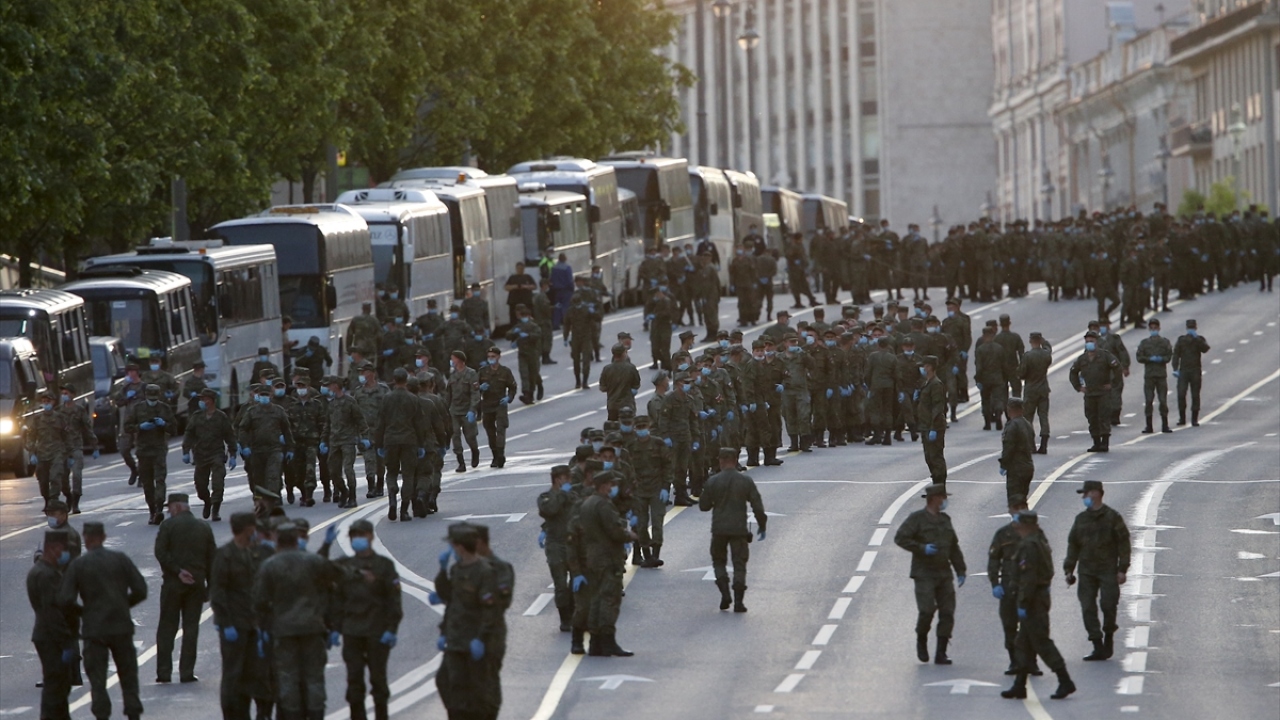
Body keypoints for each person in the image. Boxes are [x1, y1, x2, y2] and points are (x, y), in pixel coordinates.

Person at [57, 521, 148, 720]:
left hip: (94, 629)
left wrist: (83, 612)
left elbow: (65, 600)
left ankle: (101, 714)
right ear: (104, 537)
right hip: (121, 627)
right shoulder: (120, 559)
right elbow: (141, 590)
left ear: (85, 539)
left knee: (97, 679)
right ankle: (133, 711)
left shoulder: (78, 565)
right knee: (128, 675)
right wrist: (124, 605)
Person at [252, 523, 340, 720]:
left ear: (278, 540)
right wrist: (332, 624)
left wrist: (263, 629)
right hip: (312, 628)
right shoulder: (313, 561)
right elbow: (333, 587)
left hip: (283, 632)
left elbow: (259, 602)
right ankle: (316, 714)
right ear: (295, 539)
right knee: (314, 678)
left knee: (288, 678)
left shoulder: (270, 565)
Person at [1000, 510, 1076, 701]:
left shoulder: (1029, 545)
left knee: (1041, 642)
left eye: (1019, 523)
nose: (1016, 526)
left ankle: (1064, 680)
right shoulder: (1037, 540)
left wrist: (1023, 602)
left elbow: (1028, 578)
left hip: (1033, 601)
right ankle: (1019, 685)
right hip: (1036, 598)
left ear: (1026, 525)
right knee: (1023, 643)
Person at [332, 519, 402, 720]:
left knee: (378, 681)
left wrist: (392, 628)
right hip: (352, 631)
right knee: (354, 681)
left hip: (377, 632)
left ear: (370, 536)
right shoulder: (343, 566)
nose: (358, 539)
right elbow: (336, 600)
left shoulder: (384, 566)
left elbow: (393, 600)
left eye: (361, 535)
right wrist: (335, 628)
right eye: (354, 536)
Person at [433, 523, 502, 719]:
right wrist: (441, 571)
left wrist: (481, 638)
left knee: (478, 691)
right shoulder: (456, 569)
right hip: (456, 640)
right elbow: (450, 599)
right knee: (452, 687)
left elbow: (490, 610)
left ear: (460, 546)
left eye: (453, 545)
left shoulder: (484, 571)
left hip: (474, 640)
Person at [894, 484, 966, 665]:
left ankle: (941, 652)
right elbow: (900, 538)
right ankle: (921, 639)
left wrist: (961, 570)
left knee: (947, 612)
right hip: (923, 572)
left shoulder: (945, 520)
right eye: (942, 497)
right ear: (934, 498)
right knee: (926, 610)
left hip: (944, 572)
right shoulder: (917, 519)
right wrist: (921, 548)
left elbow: (953, 547)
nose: (945, 501)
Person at [1064, 480, 1130, 661]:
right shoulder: (1081, 519)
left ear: (1096, 493)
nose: (1084, 497)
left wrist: (1122, 569)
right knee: (1087, 608)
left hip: (1107, 570)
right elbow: (1073, 545)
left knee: (1109, 605)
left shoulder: (1112, 517)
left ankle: (1108, 635)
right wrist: (1069, 569)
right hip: (1086, 571)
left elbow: (1124, 544)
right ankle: (1097, 643)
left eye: (1086, 493)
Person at [153, 492, 216, 684]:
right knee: (191, 629)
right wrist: (209, 587)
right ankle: (186, 672)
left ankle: (164, 672)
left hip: (173, 584)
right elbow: (212, 559)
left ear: (177, 507)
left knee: (167, 628)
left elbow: (160, 552)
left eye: (170, 508)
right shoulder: (204, 527)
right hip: (196, 585)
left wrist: (178, 571)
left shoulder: (168, 526)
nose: (169, 511)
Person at [210, 512, 266, 720]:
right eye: (253, 527)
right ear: (247, 529)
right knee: (233, 674)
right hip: (233, 624)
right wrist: (225, 623)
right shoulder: (225, 555)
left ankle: (243, 714)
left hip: (251, 623)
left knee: (249, 674)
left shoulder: (253, 553)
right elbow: (218, 592)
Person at [576, 470, 636, 656]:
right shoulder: (603, 505)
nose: (612, 488)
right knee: (609, 599)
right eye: (610, 484)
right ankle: (607, 640)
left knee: (596, 599)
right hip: (608, 558)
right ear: (603, 485)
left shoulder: (588, 503)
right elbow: (614, 531)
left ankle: (595, 642)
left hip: (593, 557)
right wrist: (629, 535)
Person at [699, 448, 767, 612]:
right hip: (739, 529)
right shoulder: (745, 481)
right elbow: (757, 506)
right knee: (739, 564)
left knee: (719, 561)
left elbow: (704, 506)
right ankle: (738, 601)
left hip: (719, 529)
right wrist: (762, 525)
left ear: (720, 461)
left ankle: (724, 593)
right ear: (736, 460)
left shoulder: (713, 481)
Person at [28, 529, 77, 720]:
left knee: (59, 686)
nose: (66, 554)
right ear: (53, 548)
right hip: (52, 638)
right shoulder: (46, 575)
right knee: (55, 687)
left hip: (49, 635)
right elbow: (51, 611)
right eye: (64, 549)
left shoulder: (44, 570)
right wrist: (66, 641)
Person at [988, 495, 1040, 676]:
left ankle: (1032, 662)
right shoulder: (1003, 534)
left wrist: (1044, 584)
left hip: (1030, 587)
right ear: (1010, 510)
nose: (1018, 511)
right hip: (1009, 586)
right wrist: (995, 583)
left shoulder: (1035, 533)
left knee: (1031, 626)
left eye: (1022, 507)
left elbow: (1044, 560)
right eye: (1015, 508)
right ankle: (1014, 661)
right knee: (1009, 625)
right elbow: (994, 560)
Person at [374, 368, 428, 522]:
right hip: (409, 440)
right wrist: (421, 444)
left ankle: (392, 497)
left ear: (394, 379)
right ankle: (404, 510)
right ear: (406, 380)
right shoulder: (413, 399)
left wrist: (378, 444)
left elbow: (380, 423)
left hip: (390, 440)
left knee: (391, 472)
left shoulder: (386, 398)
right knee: (408, 475)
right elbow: (419, 424)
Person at [237, 385, 295, 513]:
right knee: (257, 478)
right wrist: (244, 445)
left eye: (266, 395)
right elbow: (243, 428)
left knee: (273, 476)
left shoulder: (278, 411)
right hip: (256, 450)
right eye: (262, 395)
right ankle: (259, 501)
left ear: (271, 396)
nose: (264, 397)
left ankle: (272, 502)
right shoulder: (251, 412)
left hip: (274, 449)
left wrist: (290, 448)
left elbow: (287, 430)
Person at [183, 388, 238, 521]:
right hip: (200, 454)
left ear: (212, 401)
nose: (202, 402)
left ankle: (216, 509)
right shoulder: (196, 416)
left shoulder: (221, 417)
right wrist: (186, 451)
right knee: (200, 486)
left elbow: (229, 436)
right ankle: (207, 501)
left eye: (204, 399)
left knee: (218, 483)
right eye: (201, 399)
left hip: (216, 454)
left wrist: (233, 454)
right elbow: (189, 434)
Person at [127, 384, 179, 525]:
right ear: (145, 395)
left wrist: (163, 424)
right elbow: (127, 426)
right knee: (147, 483)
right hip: (143, 451)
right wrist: (140, 427)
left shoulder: (164, 409)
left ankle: (159, 508)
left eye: (154, 398)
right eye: (150, 398)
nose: (152, 401)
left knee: (160, 479)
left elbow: (174, 429)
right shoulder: (138, 409)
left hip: (158, 449)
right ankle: (152, 510)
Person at [537, 466, 581, 631]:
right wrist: (562, 494)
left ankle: (572, 611)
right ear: (557, 479)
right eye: (566, 477)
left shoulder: (573, 496)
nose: (569, 481)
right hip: (555, 544)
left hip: (573, 545)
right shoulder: (545, 497)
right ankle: (565, 618)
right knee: (560, 583)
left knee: (576, 582)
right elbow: (550, 510)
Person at [1068, 331, 1122, 452]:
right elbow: (1073, 372)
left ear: (1097, 342)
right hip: (1090, 393)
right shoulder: (1082, 359)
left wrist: (1112, 384)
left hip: (1103, 392)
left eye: (1091, 341)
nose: (1089, 344)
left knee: (1104, 417)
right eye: (1087, 342)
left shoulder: (1105, 356)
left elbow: (1117, 368)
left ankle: (1105, 442)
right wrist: (1078, 387)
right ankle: (1096, 442)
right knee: (1092, 417)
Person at [324, 376, 369, 509]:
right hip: (334, 441)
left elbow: (360, 420)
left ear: (336, 386)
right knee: (333, 471)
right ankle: (344, 491)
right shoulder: (331, 404)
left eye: (330, 385)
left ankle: (353, 497)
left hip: (348, 440)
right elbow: (328, 424)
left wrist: (364, 436)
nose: (328, 388)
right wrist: (323, 440)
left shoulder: (350, 402)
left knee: (348, 468)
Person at [56, 383, 96, 513]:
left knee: (77, 475)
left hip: (76, 447)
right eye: (63, 394)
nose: (64, 396)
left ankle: (75, 502)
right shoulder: (58, 411)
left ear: (73, 395)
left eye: (67, 393)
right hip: (62, 449)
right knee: (62, 477)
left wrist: (94, 445)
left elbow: (87, 427)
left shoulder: (79, 410)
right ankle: (67, 496)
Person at [30, 388, 72, 511]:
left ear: (53, 402)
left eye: (48, 401)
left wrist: (69, 455)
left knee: (56, 477)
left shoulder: (60, 418)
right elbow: (31, 436)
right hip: (42, 453)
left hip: (57, 452)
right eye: (43, 401)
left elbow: (67, 436)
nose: (46, 403)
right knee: (42, 481)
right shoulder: (37, 419)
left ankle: (54, 501)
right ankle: (47, 500)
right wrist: (32, 452)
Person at [477, 347, 518, 468]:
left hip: (500, 404)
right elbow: (474, 387)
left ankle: (500, 455)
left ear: (499, 357)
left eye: (493, 356)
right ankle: (495, 455)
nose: (491, 359)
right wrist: (480, 388)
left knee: (500, 429)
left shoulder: (505, 372)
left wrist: (509, 398)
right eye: (489, 356)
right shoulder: (483, 372)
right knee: (490, 432)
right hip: (487, 405)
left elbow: (512, 387)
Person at [1135, 317, 1174, 433]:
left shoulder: (1165, 342)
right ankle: (1149, 425)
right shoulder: (1144, 343)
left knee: (1163, 400)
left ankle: (1165, 424)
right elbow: (1139, 357)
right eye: (1151, 328)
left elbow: (1169, 355)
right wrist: (1149, 359)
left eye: (1155, 328)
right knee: (1148, 401)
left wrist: (1161, 359)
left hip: (1161, 375)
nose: (1153, 329)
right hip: (1149, 375)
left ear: (1159, 328)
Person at [444, 351, 481, 473]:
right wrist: (445, 409)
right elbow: (448, 394)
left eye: (452, 358)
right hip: (454, 410)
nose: (451, 361)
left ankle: (475, 451)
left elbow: (475, 394)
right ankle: (461, 462)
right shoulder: (453, 375)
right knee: (455, 436)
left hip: (467, 410)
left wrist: (472, 410)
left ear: (459, 360)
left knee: (470, 436)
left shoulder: (471, 374)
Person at [1018, 331, 1053, 454]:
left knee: (1028, 418)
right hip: (1043, 389)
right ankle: (1044, 445)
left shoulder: (1027, 356)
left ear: (1030, 341)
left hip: (1031, 390)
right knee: (1043, 416)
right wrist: (1044, 342)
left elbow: (1021, 373)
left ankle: (1031, 446)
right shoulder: (1046, 355)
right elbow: (1049, 349)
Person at [916, 355, 948, 487]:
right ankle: (936, 485)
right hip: (925, 425)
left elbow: (937, 407)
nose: (922, 368)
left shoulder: (936, 384)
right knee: (929, 457)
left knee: (936, 457)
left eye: (924, 366)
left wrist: (934, 427)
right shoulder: (927, 383)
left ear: (929, 367)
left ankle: (940, 487)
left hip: (933, 426)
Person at [1172, 318, 1210, 426]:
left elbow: (1205, 349)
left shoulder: (1199, 339)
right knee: (1181, 394)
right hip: (1184, 370)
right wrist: (1175, 368)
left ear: (1196, 328)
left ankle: (1194, 418)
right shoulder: (1181, 340)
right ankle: (1182, 418)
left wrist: (1196, 338)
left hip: (1195, 370)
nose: (1191, 329)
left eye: (1192, 327)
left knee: (1195, 395)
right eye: (1190, 328)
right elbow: (1176, 354)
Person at [504, 306, 543, 403]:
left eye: (525, 316)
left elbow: (538, 335)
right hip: (522, 354)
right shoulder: (519, 326)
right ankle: (526, 394)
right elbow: (508, 335)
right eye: (522, 316)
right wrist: (513, 333)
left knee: (533, 374)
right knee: (524, 374)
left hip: (533, 353)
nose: (524, 318)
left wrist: (529, 336)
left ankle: (534, 390)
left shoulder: (533, 326)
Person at [999, 398, 1035, 501]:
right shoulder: (1027, 424)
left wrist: (1004, 464)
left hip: (1016, 469)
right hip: (1028, 466)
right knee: (1022, 499)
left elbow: (1008, 448)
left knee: (1015, 501)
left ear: (1009, 409)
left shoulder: (1012, 426)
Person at [598, 343, 641, 421]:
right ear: (623, 353)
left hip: (612, 405)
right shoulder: (630, 368)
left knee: (613, 428)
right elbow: (636, 384)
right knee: (628, 427)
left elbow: (602, 388)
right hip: (627, 404)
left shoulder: (607, 369)